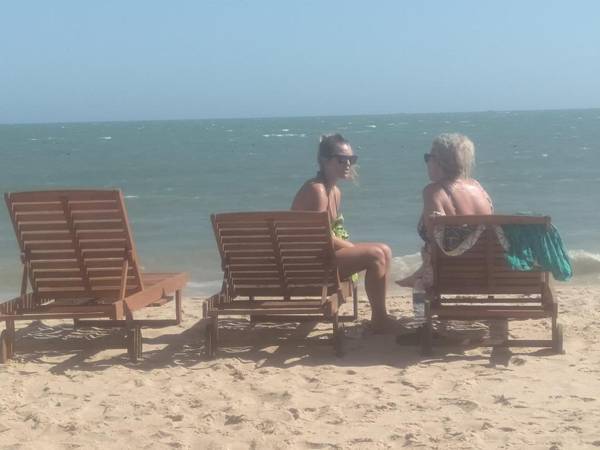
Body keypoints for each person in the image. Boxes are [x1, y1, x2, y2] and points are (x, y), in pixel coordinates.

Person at [291, 134, 393, 333]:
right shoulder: (317, 190)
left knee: (384, 250)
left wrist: (351, 249)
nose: (348, 164)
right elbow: (318, 238)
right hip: (308, 266)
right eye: (341, 159)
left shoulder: (334, 192)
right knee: (376, 254)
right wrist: (352, 248)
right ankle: (380, 320)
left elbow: (325, 237)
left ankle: (380, 317)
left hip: (317, 260)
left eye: (351, 159)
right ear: (324, 161)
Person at [397, 133, 493, 288]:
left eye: (428, 157)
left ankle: (418, 280)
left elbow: (434, 237)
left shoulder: (433, 192)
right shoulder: (478, 188)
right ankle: (417, 274)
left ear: (440, 161)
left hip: (448, 273)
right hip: (483, 270)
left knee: (421, 280)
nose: (427, 162)